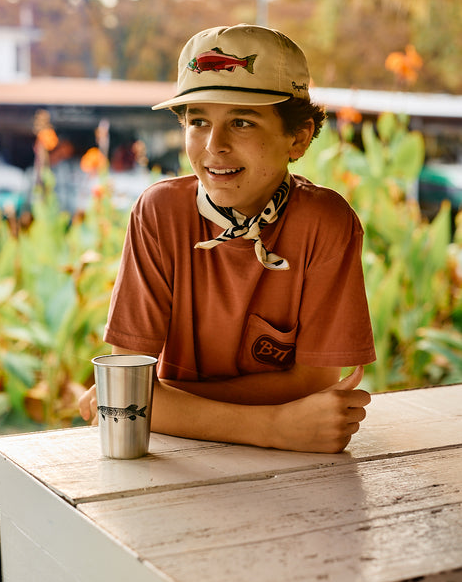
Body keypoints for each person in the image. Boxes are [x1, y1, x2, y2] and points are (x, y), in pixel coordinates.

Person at [79, 24, 375, 453]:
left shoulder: (326, 223)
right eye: (198, 121)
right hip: (174, 462)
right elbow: (127, 391)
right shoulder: (159, 213)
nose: (214, 145)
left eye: (241, 122)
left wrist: (157, 401)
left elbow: (313, 385)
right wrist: (272, 426)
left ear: (299, 136)